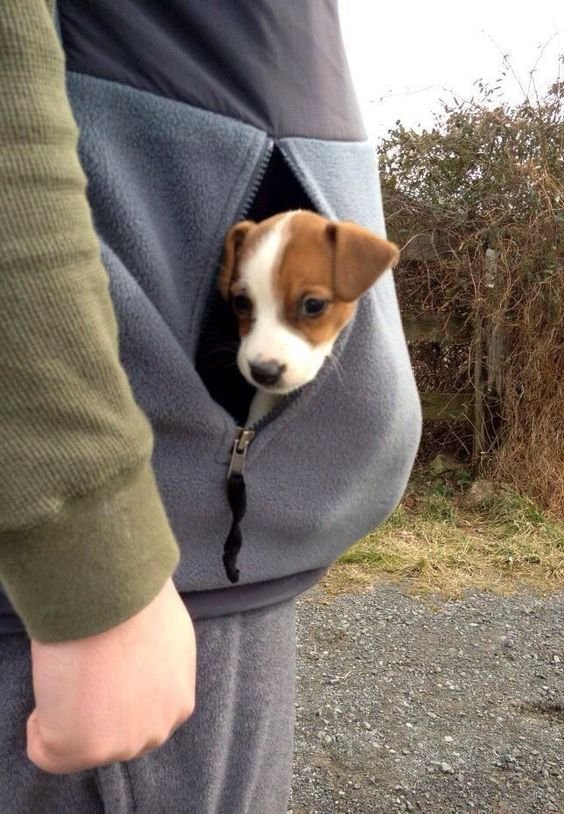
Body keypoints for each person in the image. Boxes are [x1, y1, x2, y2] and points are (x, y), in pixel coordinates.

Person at [0, 2, 422, 812]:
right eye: (244, 306)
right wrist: (88, 560)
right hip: (92, 574)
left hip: (231, 563)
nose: (261, 347)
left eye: (302, 308)